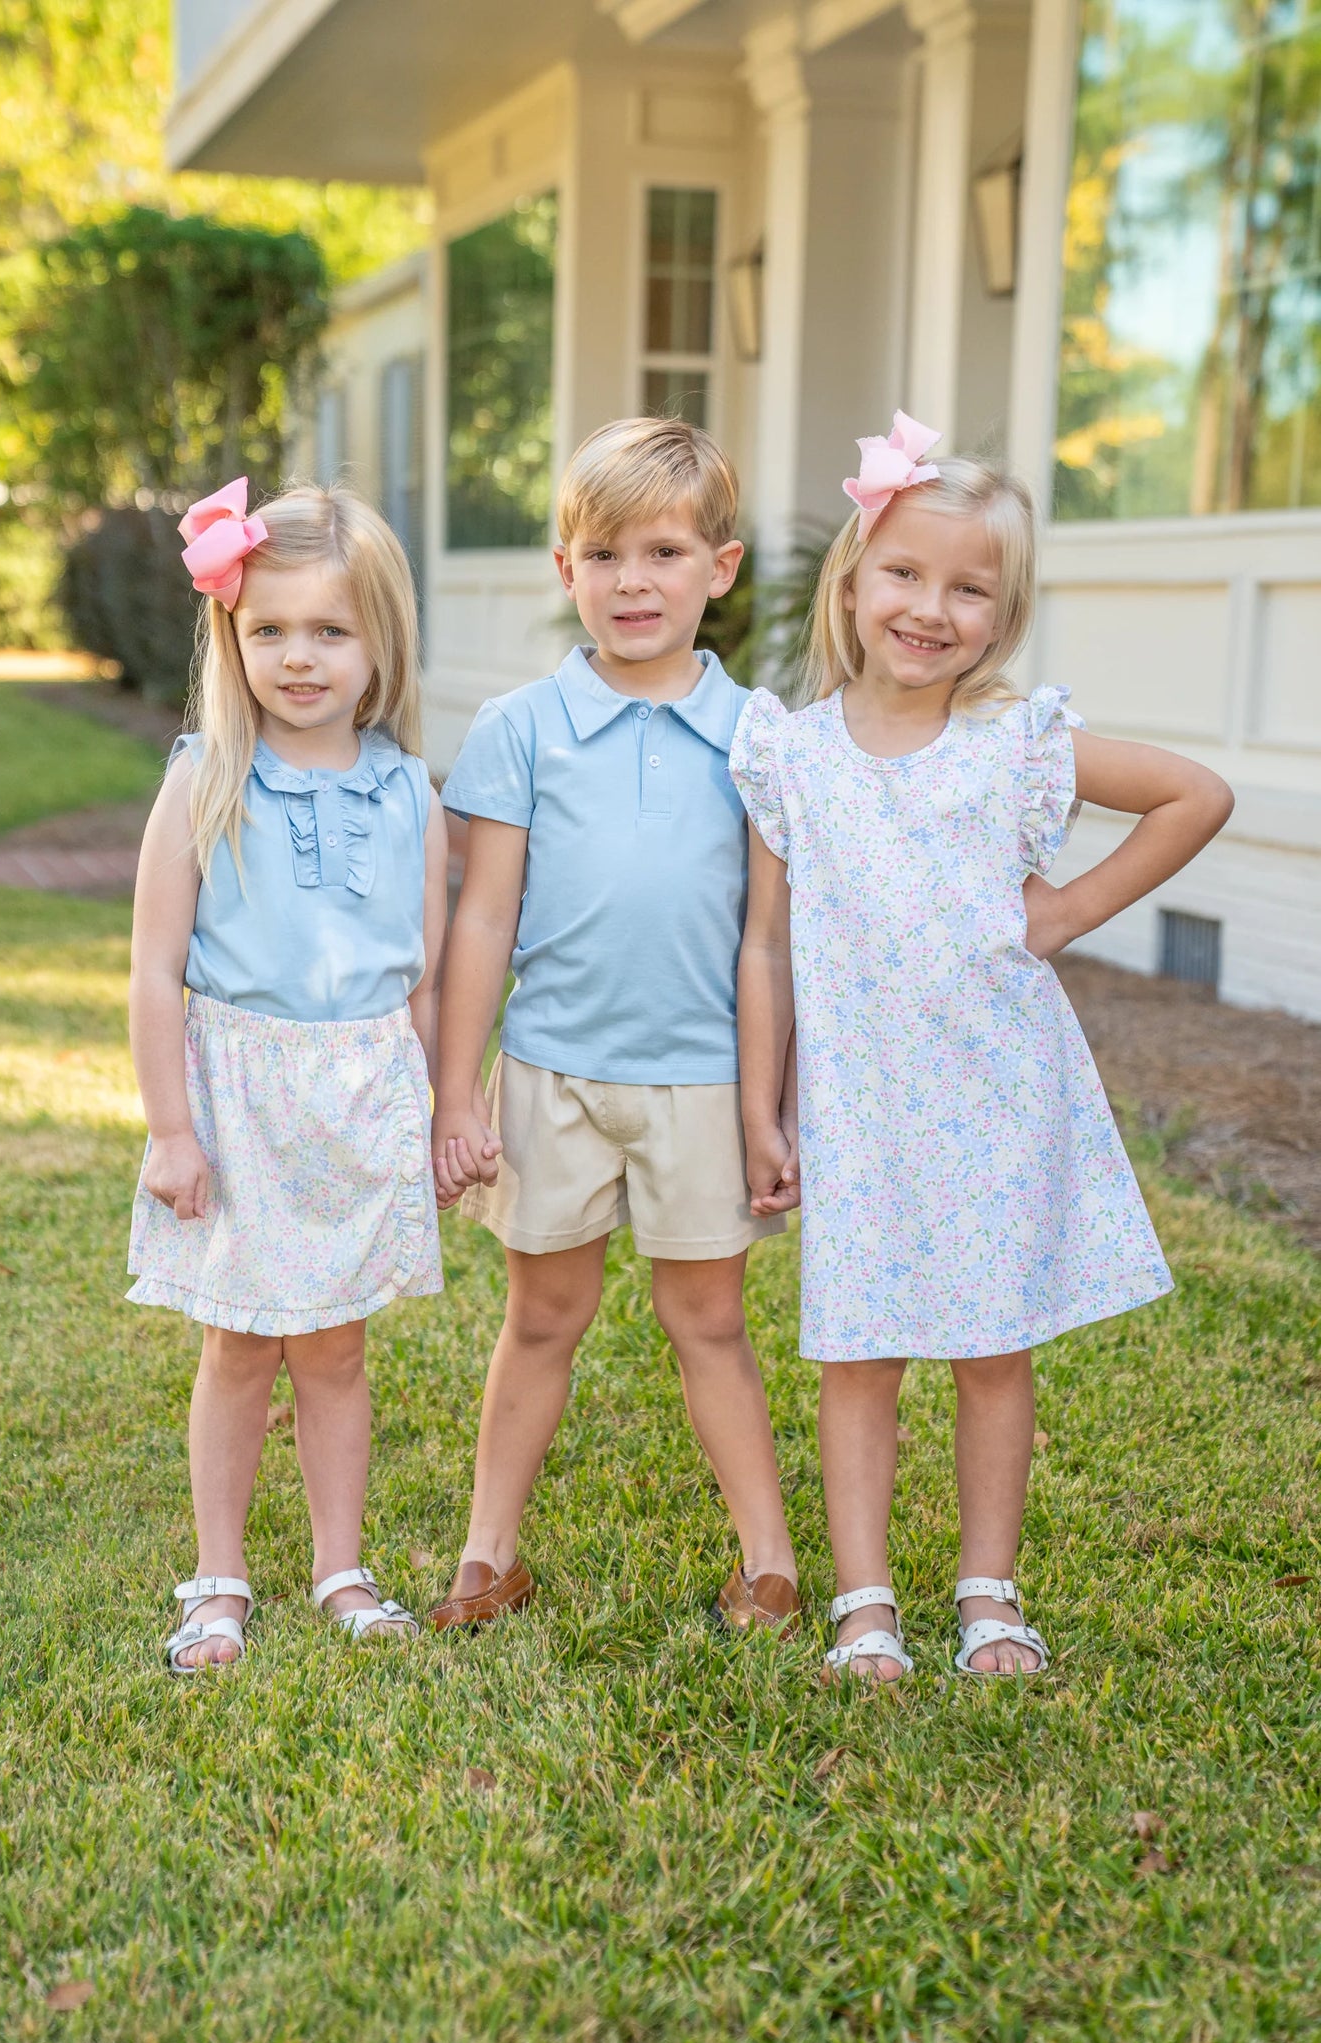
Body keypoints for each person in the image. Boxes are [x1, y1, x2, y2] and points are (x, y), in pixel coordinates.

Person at [732, 413, 1234, 1684]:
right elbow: (765, 948)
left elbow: (1193, 795)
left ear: (1000, 620)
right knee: (860, 1350)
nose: (929, 607)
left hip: (997, 1095)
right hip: (857, 1105)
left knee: (989, 1349)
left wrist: (1061, 910)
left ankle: (987, 1595)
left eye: (969, 589)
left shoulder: (1014, 747)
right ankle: (862, 1600)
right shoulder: (788, 756)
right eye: (903, 573)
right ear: (850, 584)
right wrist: (760, 1110)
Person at [428, 417, 800, 1636]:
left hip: (698, 1082)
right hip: (552, 1077)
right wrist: (456, 1091)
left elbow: (764, 942)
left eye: (663, 553)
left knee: (709, 1322)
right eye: (603, 555)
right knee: (540, 1317)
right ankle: (489, 1554)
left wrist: (762, 1111)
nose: (632, 582)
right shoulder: (519, 729)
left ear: (719, 568)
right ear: (564, 570)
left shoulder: (760, 738)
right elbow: (481, 924)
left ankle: (767, 1559)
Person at [127, 479, 446, 1673]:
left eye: (330, 631)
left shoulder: (410, 793)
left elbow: (415, 974)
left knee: (336, 1347)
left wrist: (429, 1109)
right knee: (239, 1345)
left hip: (357, 1097)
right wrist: (171, 1129)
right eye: (269, 630)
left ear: (379, 643)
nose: (298, 657)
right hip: (236, 1094)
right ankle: (218, 1578)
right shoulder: (204, 775)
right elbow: (157, 968)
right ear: (230, 636)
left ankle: (338, 1566)